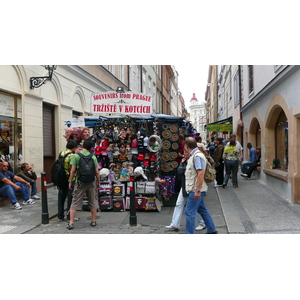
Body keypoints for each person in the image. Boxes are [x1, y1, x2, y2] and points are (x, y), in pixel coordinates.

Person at [166, 148, 206, 231]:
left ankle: (202, 223)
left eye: (185, 152)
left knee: (196, 206)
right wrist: (181, 164)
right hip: (185, 186)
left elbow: (188, 172)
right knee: (179, 204)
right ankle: (175, 224)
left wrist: (197, 189)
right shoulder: (185, 161)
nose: (184, 154)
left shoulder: (192, 160)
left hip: (191, 187)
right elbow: (180, 172)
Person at [184, 137, 217, 234]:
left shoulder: (197, 156)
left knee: (189, 213)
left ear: (187, 146)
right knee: (202, 210)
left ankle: (190, 234)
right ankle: (211, 229)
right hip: (197, 188)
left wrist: (197, 190)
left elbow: (201, 172)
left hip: (196, 189)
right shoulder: (194, 155)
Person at [67, 139, 100, 230]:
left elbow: (73, 170)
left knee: (75, 201)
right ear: (91, 148)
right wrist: (98, 182)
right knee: (93, 201)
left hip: (80, 181)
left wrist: (70, 181)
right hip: (91, 181)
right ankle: (93, 221)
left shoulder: (76, 156)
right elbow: (97, 172)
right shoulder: (93, 157)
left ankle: (71, 223)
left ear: (83, 145)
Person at [57, 139, 77, 222]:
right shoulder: (71, 156)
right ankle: (69, 216)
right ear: (73, 147)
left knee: (61, 198)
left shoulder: (61, 153)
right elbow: (72, 169)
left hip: (61, 179)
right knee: (70, 198)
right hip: (69, 179)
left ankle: (60, 216)